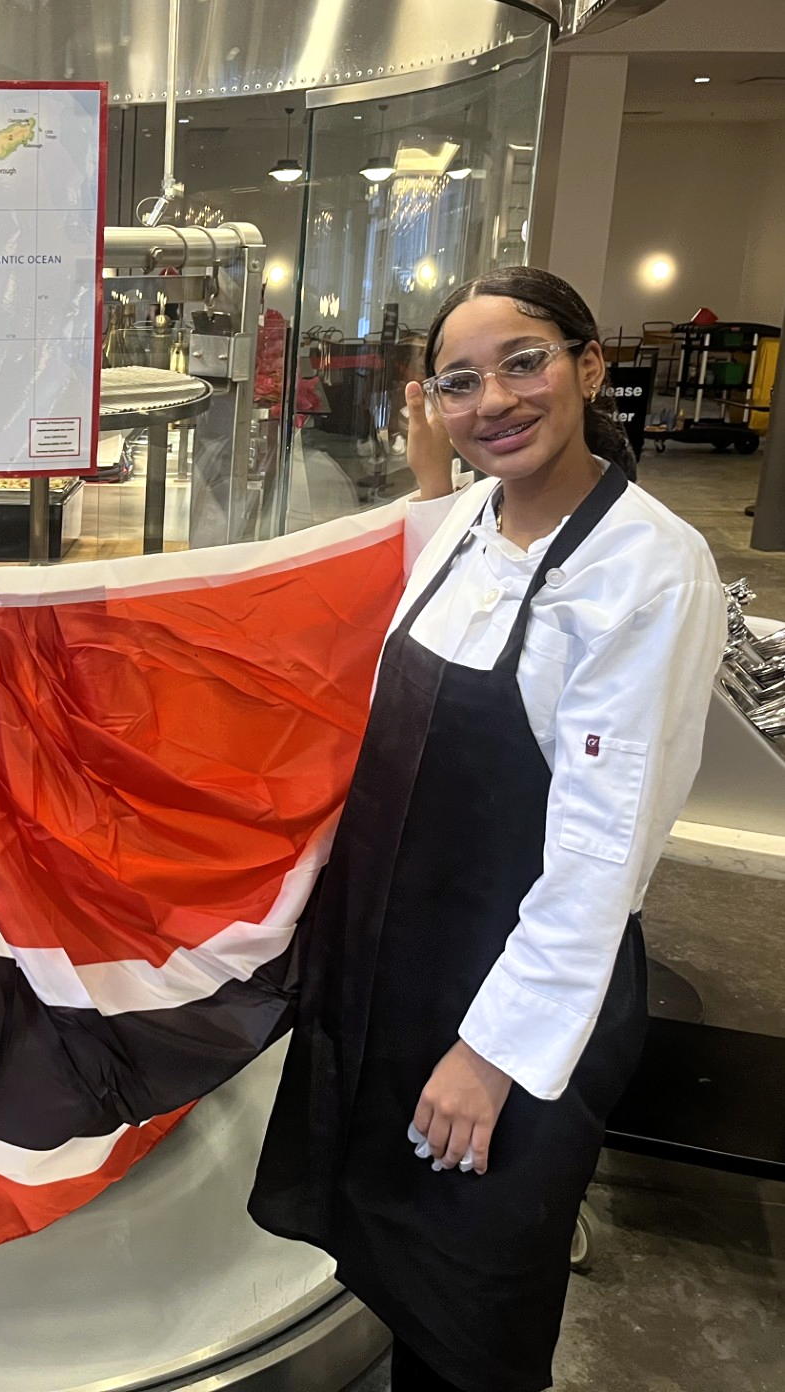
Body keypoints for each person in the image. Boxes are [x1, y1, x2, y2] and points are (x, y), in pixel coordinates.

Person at [249, 266, 724, 1392]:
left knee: (473, 1306)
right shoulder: (462, 520)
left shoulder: (650, 573)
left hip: (512, 1002)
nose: (495, 402)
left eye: (525, 363)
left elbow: (602, 857)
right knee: (392, 1259)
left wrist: (490, 1054)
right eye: (458, 383)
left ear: (587, 365)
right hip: (393, 973)